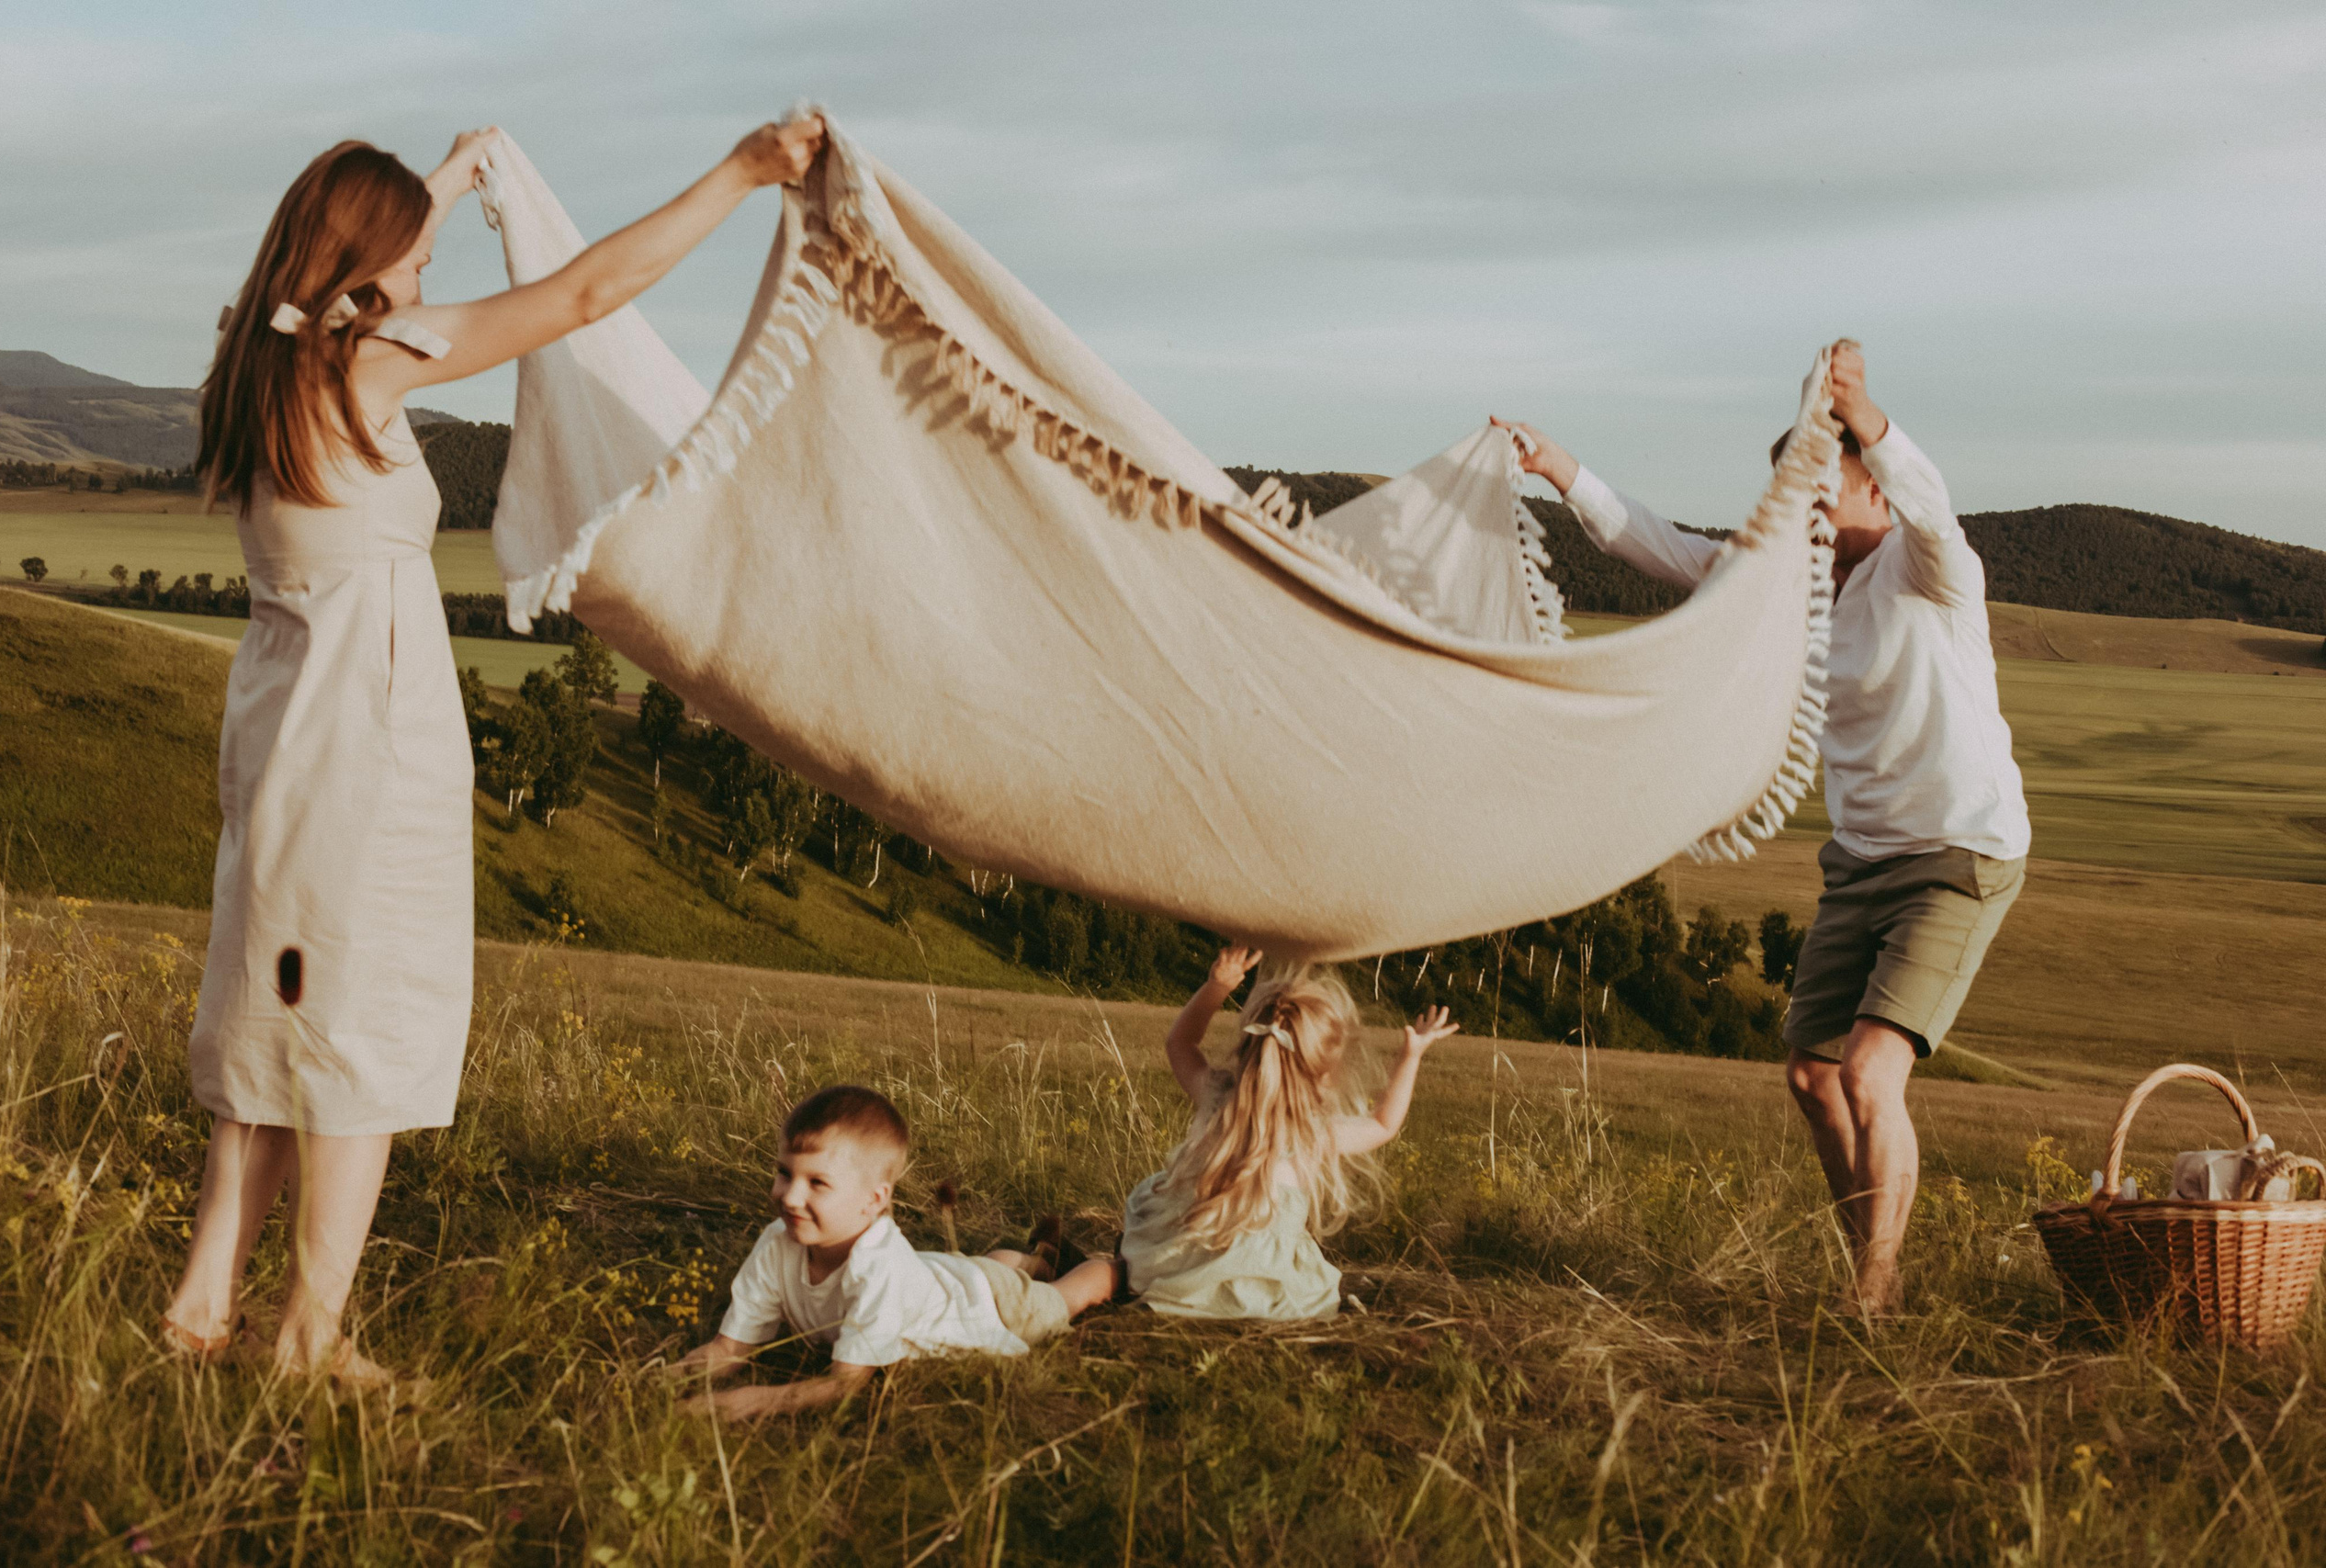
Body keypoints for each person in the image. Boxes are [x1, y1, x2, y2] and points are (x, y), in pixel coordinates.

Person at [162, 114, 828, 1384]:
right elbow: (585, 291)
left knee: (276, 1015)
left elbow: (366, 258)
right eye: (409, 262)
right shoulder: (366, 365)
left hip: (283, 737)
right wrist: (741, 174)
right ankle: (307, 1332)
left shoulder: (260, 360)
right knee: (354, 1032)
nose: (425, 285)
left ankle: (202, 1305)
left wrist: (451, 178)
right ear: (361, 278)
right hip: (367, 745)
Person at [1495, 342, 2029, 1314]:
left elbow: (1932, 499)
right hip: (1862, 858)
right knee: (1809, 1075)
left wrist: (1862, 416)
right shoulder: (1789, 590)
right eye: (1800, 493)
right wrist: (1556, 466)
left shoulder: (1930, 570)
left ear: (1874, 493)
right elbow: (1660, 547)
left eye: (1832, 487)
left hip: (1958, 851)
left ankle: (1875, 1288)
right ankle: (1870, 1252)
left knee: (1870, 1071)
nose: (1815, 509)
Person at [675, 1086, 1118, 1419]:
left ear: (873, 1200)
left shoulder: (878, 1268)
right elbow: (729, 1350)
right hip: (932, 1276)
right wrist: (661, 1379)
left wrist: (755, 1401)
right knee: (971, 1272)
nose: (789, 1197)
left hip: (988, 1306)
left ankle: (1115, 1269)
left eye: (817, 1183)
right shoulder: (778, 1242)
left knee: (1062, 1299)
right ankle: (1027, 1259)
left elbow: (845, 1385)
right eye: (783, 1173)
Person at [1119, 946, 1458, 1319]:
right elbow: (1383, 1123)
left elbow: (1180, 1043)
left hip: (1186, 1263)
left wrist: (1217, 987)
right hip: (1266, 1285)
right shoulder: (1313, 1131)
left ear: (1247, 1046)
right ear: (1324, 1072)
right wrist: (1411, 1055)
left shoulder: (1217, 1097)